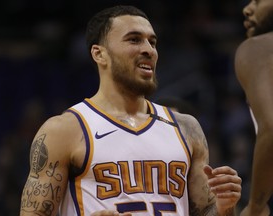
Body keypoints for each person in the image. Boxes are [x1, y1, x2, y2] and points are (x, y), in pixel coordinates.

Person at [20, 5, 242, 216]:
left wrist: (225, 207)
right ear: (99, 54)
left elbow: (205, 211)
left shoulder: (186, 127)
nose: (149, 50)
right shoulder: (65, 130)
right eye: (134, 40)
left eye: (152, 42)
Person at [234, 0, 273, 215]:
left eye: (258, 1)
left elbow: (272, 127)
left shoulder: (259, 47)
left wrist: (256, 206)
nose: (247, 8)